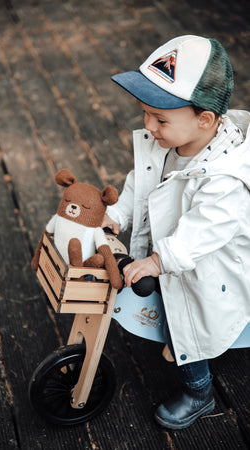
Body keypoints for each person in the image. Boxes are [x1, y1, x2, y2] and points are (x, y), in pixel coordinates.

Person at [103, 35, 250, 430]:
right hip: (174, 247)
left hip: (208, 265)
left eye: (160, 118)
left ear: (205, 119)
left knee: (182, 315)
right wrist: (117, 213)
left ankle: (198, 390)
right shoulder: (170, 141)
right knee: (169, 297)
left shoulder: (226, 179)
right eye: (145, 114)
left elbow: (202, 233)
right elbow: (142, 182)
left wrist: (157, 260)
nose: (148, 127)